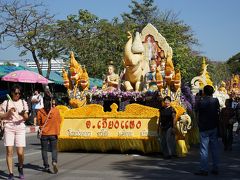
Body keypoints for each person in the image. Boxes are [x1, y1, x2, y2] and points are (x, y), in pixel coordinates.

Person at [0, 84, 29, 180]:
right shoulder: (6, 102)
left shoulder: (23, 102)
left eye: (19, 93)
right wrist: (8, 112)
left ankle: (20, 167)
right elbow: (1, 116)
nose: (17, 95)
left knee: (20, 152)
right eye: (16, 93)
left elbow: (26, 118)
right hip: (9, 127)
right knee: (9, 151)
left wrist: (22, 114)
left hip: (20, 127)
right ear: (12, 93)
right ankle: (11, 173)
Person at [195, 85, 220, 176]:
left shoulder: (200, 101)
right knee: (214, 148)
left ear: (204, 92)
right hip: (214, 126)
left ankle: (204, 169)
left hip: (204, 127)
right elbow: (217, 111)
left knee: (204, 149)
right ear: (212, 92)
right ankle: (215, 168)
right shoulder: (215, 100)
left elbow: (196, 112)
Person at [37, 93, 61, 174]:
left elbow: (39, 122)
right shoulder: (56, 111)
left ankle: (46, 166)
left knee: (44, 150)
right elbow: (59, 121)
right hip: (53, 134)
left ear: (43, 102)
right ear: (51, 102)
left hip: (44, 134)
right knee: (54, 149)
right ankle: (54, 162)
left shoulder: (40, 111)